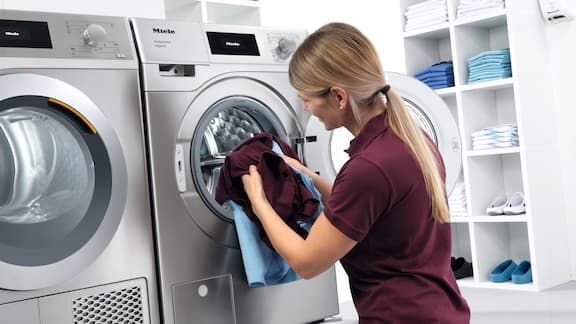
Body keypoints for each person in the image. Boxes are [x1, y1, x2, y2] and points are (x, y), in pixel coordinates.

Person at [241, 22, 470, 323]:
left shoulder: (369, 168)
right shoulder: (408, 137)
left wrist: (258, 201)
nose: (306, 107)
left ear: (339, 97)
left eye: (307, 97)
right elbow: (371, 209)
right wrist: (306, 176)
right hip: (439, 308)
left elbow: (306, 261)